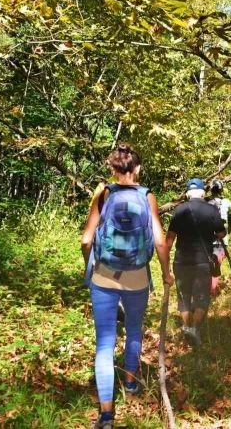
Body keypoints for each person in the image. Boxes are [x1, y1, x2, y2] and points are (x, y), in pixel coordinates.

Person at [80, 144, 173, 429]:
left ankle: (106, 414)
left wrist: (91, 265)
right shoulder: (147, 196)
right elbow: (159, 240)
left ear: (112, 168)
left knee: (105, 343)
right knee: (134, 328)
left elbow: (86, 240)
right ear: (138, 169)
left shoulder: (103, 193)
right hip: (137, 277)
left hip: (104, 276)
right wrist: (166, 273)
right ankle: (131, 382)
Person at [165, 178, 226, 347]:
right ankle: (195, 328)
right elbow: (221, 233)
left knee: (183, 295)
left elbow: (169, 239)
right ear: (202, 192)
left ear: (187, 193)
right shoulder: (211, 209)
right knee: (201, 297)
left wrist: (165, 261)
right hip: (202, 261)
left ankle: (185, 326)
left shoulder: (179, 210)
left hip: (181, 260)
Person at [206, 179, 231, 295]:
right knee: (216, 263)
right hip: (222, 238)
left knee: (208, 263)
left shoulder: (204, 201)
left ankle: (210, 288)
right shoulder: (227, 202)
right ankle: (212, 289)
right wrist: (228, 232)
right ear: (221, 189)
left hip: (206, 239)